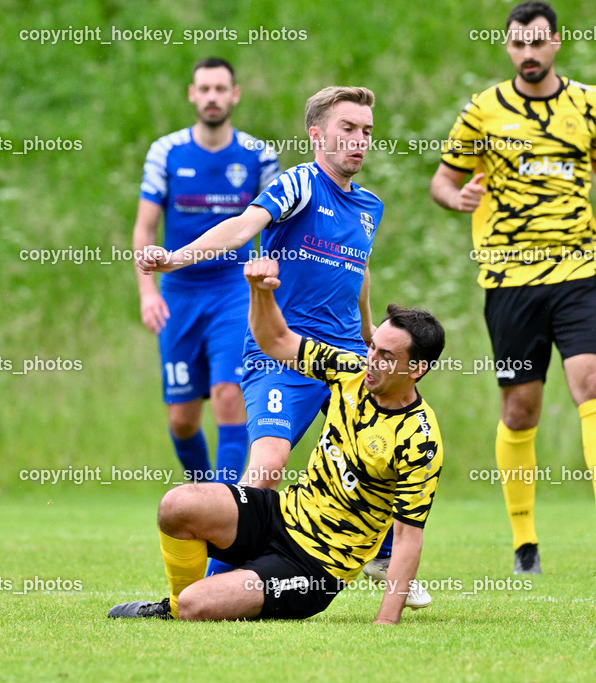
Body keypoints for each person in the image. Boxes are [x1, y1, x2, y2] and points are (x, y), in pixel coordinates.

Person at [137, 86, 430, 604]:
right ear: (317, 134)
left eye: (366, 131)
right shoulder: (300, 183)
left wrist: (366, 333)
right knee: (267, 466)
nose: (359, 141)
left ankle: (381, 552)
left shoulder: (369, 206)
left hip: (345, 358)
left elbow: (357, 271)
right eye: (347, 129)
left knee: (379, 452)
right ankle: (209, 586)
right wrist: (177, 259)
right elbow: (243, 226)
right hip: (284, 353)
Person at [108, 258, 445, 623]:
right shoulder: (350, 370)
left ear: (416, 369)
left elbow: (408, 538)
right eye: (373, 347)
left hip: (317, 565)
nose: (371, 360)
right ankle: (174, 607)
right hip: (281, 515)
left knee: (197, 605)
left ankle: (184, 607)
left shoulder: (419, 439)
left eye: (386, 356)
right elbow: (277, 340)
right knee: (178, 504)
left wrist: (385, 621)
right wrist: (260, 290)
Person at [429, 1, 596, 575]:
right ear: (508, 47)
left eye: (537, 42)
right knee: (521, 410)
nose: (528, 53)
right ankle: (525, 542)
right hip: (511, 277)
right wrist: (458, 198)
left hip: (579, 271)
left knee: (592, 379)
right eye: (518, 43)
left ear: (555, 43)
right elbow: (442, 182)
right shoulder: (483, 111)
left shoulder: (590, 102)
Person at [133, 57, 279, 488]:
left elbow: (276, 223)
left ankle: (225, 504)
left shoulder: (258, 155)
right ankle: (202, 491)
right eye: (205, 89)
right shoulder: (167, 151)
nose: (213, 97)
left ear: (234, 95)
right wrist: (147, 292)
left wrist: (269, 280)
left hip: (234, 290)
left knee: (229, 395)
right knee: (181, 419)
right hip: (178, 291)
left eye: (221, 89)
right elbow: (144, 227)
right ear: (192, 95)